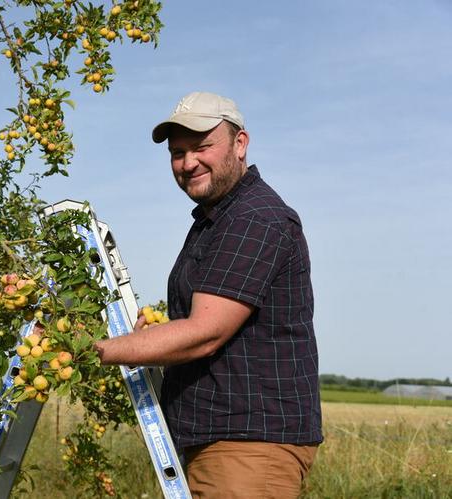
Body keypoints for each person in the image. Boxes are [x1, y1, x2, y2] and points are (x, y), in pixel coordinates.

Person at [93, 92, 323, 498]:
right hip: (221, 442)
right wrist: (158, 337)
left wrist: (99, 350)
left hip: (247, 448)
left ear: (240, 144)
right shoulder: (219, 219)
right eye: (177, 153)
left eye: (201, 147)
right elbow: (213, 324)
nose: (187, 162)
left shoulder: (255, 217)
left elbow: (206, 333)